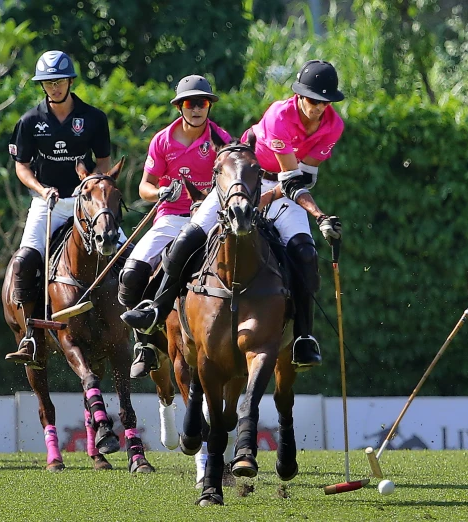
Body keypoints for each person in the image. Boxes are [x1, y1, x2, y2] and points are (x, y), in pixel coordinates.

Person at [122, 59, 345, 371]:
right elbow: (284, 173)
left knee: (305, 255)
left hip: (284, 191)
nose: (318, 108)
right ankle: (157, 310)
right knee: (188, 237)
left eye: (325, 102)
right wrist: (311, 212)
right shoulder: (280, 116)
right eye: (312, 100)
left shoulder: (333, 126)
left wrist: (306, 212)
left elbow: (301, 179)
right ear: (299, 96)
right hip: (247, 180)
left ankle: (303, 338)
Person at [5, 50, 126, 365]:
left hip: (86, 203)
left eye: (59, 81)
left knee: (127, 254)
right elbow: (22, 166)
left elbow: (103, 163)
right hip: (49, 204)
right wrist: (41, 189)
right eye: (48, 82)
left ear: (70, 81)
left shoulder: (93, 118)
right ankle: (31, 335)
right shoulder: (30, 121)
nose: (54, 87)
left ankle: (138, 329)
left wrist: (92, 190)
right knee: (23, 261)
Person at [118, 74, 232, 379]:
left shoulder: (220, 140)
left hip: (208, 222)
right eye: (189, 103)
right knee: (131, 273)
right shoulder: (162, 141)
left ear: (209, 106)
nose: (196, 108)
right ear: (179, 106)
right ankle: (145, 344)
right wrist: (160, 193)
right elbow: (145, 186)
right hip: (170, 218)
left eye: (202, 102)